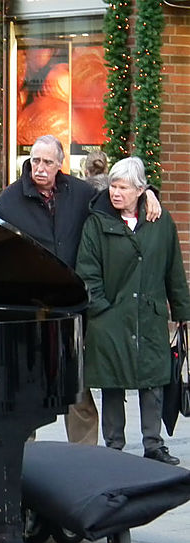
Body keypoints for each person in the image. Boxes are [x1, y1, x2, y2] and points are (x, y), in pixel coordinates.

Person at [0, 135, 162, 446]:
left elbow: (119, 201)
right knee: (28, 386)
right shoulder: (9, 201)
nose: (39, 168)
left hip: (73, 306)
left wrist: (149, 193)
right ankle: (23, 456)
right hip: (32, 308)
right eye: (35, 161)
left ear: (60, 165)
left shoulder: (80, 193)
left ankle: (83, 458)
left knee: (77, 390)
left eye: (47, 162)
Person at [76, 157, 190, 465]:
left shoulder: (160, 221)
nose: (115, 192)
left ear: (140, 190)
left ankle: (153, 443)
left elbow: (173, 268)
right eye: (113, 185)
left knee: (152, 378)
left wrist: (181, 309)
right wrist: (101, 308)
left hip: (149, 314)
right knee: (113, 381)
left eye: (123, 187)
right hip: (110, 315)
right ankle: (115, 445)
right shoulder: (97, 222)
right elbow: (87, 273)